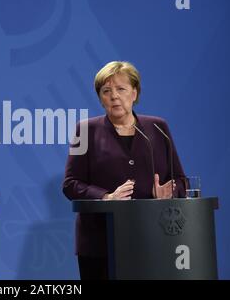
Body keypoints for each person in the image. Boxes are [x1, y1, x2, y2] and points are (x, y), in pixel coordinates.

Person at [62, 61, 186, 280]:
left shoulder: (158, 128)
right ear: (100, 97)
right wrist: (106, 197)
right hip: (99, 242)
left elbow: (181, 181)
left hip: (152, 238)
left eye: (121, 89)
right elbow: (71, 184)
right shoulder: (85, 130)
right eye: (106, 91)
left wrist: (169, 193)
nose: (114, 96)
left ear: (135, 93)